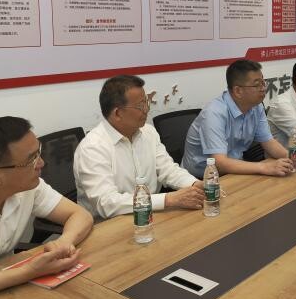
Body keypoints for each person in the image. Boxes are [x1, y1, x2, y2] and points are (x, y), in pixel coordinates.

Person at [0, 117, 93, 298]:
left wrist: (63, 243)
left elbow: (80, 215)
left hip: (11, 287)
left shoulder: (27, 186)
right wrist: (28, 272)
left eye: (38, 152)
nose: (41, 163)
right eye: (31, 159)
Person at [74, 74, 204, 219]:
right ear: (117, 113)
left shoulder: (148, 132)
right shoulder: (92, 148)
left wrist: (194, 184)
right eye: (140, 105)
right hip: (108, 224)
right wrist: (167, 199)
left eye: (146, 102)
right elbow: (107, 203)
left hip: (151, 214)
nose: (147, 109)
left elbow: (168, 170)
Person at [181, 59, 293, 179]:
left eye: (263, 82)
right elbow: (220, 163)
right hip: (201, 179)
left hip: (235, 170)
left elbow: (268, 142)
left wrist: (291, 157)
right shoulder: (214, 113)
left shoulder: (256, 106)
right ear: (238, 91)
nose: (263, 88)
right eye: (257, 85)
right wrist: (265, 167)